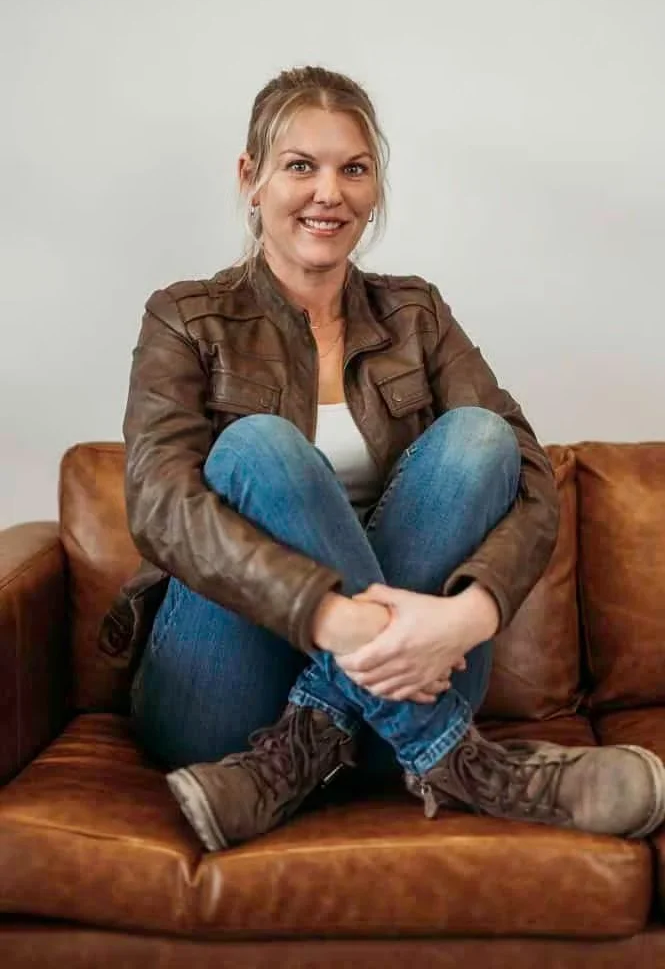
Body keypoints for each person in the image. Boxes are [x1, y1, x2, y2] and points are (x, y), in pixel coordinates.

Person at [111, 65, 665, 851]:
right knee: (261, 447)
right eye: (300, 165)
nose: (328, 192)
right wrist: (330, 618)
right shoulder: (186, 317)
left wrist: (468, 615)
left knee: (481, 436)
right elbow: (162, 506)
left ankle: (310, 743)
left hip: (412, 672)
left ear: (375, 186)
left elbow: (533, 480)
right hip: (224, 693)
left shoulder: (415, 312)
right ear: (251, 179)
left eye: (353, 168)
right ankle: (459, 761)